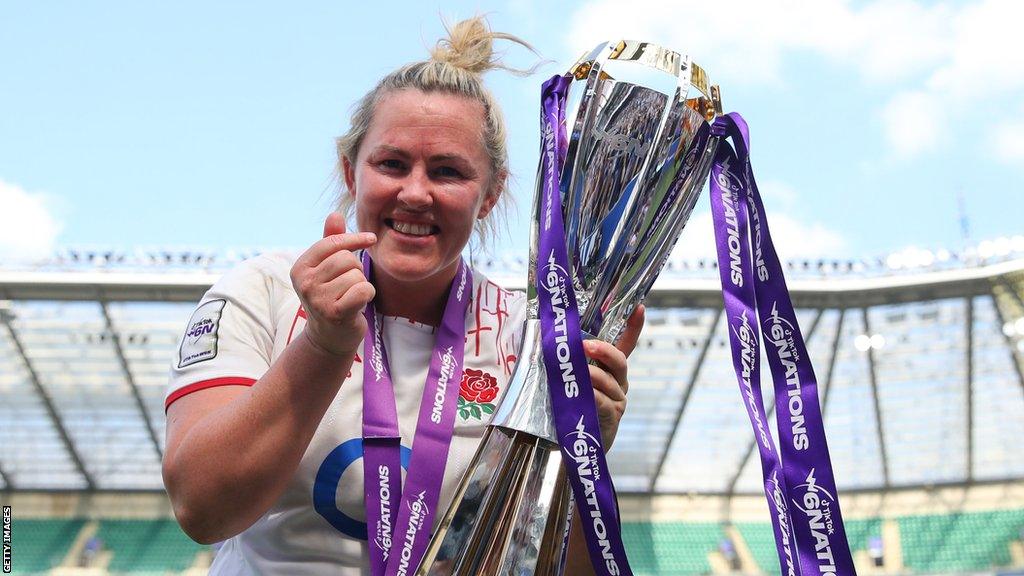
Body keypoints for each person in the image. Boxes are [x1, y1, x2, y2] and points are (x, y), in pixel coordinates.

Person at [162, 16, 643, 575]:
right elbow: (201, 508)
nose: (415, 193)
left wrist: (581, 453)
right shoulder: (265, 291)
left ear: (489, 196)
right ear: (351, 172)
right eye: (391, 164)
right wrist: (322, 347)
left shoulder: (530, 338)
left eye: (448, 171)